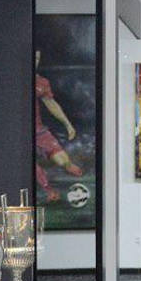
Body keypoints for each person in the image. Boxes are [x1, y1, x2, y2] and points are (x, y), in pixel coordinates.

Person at [35, 50, 84, 202]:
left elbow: (52, 105)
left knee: (63, 159)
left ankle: (67, 166)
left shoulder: (42, 82)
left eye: (37, 58)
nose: (34, 61)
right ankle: (48, 190)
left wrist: (67, 124)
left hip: (39, 130)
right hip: (18, 132)